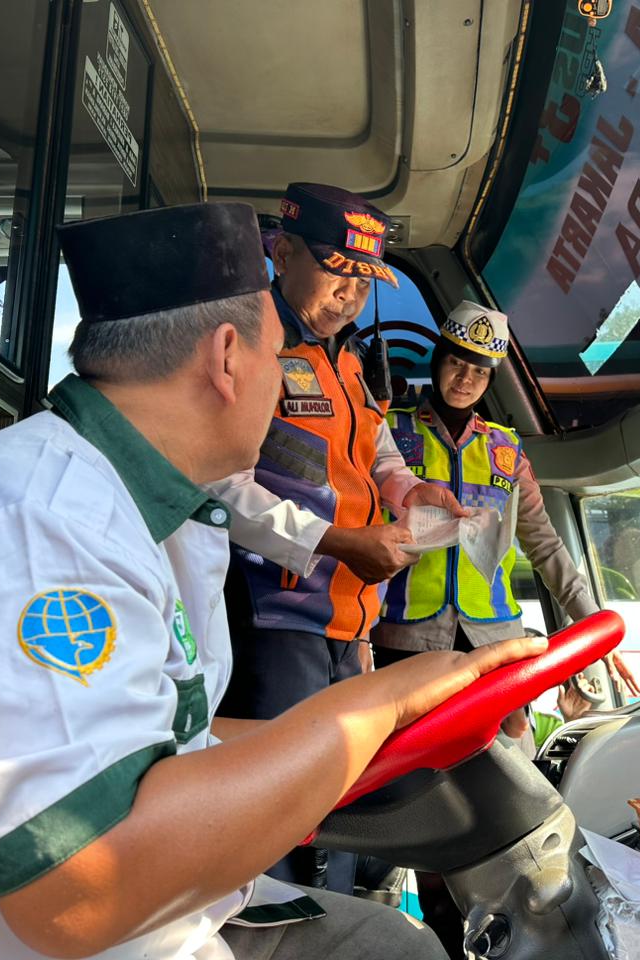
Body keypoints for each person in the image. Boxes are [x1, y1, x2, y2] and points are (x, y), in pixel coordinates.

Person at [0, 201, 546, 960]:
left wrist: (375, 731)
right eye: (277, 359)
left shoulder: (145, 508)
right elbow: (82, 889)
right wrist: (381, 701)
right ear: (228, 357)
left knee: (391, 941)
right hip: (25, 937)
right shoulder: (39, 526)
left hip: (170, 918)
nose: (281, 382)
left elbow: (175, 743)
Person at [214, 183, 464, 892]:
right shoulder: (246, 345)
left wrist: (410, 489)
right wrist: (332, 542)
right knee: (279, 811)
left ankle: (339, 923)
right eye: (336, 269)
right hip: (270, 613)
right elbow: (218, 486)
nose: (351, 293)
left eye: (365, 278)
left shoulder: (347, 359)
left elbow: (379, 452)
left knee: (339, 798)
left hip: (343, 620)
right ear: (282, 251)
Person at [371, 302, 600, 958]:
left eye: (480, 367)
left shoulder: (506, 451)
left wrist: (594, 623)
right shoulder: (392, 434)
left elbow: (546, 545)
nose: (465, 376)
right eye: (456, 360)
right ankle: (448, 939)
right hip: (407, 643)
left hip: (495, 650)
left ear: (492, 375)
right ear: (437, 359)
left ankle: (530, 929)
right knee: (425, 801)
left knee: (512, 792)